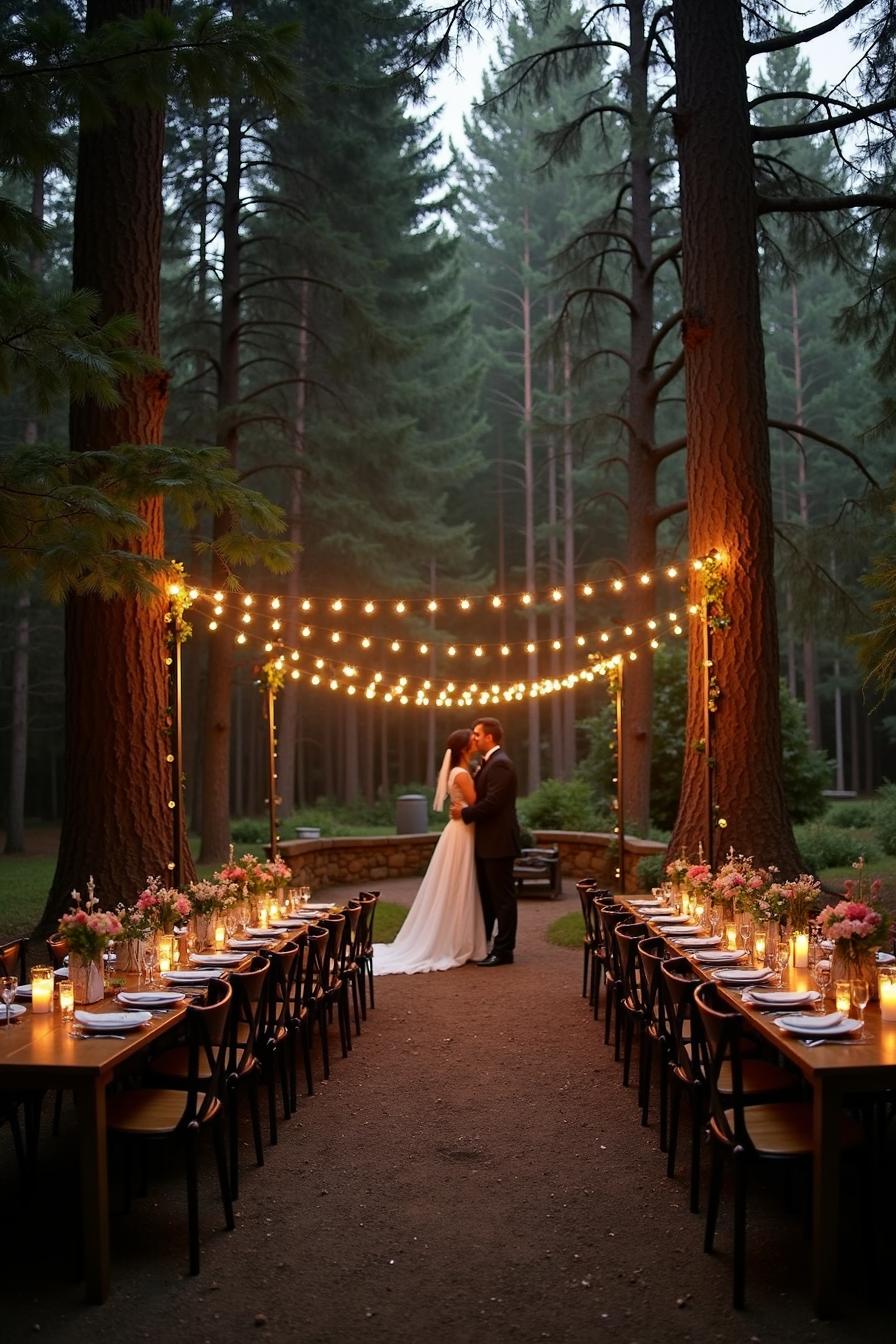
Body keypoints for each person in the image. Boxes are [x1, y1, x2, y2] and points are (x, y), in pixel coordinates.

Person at [372, 728, 487, 975]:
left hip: (459, 828)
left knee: (458, 883)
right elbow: (477, 802)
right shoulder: (461, 774)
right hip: (463, 830)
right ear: (464, 747)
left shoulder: (460, 771)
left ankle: (462, 937)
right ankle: (458, 940)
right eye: (472, 739)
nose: (475, 741)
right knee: (460, 883)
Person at [450, 717, 521, 966]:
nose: (474, 738)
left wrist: (464, 813)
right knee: (488, 898)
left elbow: (493, 803)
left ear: (489, 737)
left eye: (478, 734)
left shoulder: (501, 764)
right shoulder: (489, 763)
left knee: (502, 899)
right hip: (487, 842)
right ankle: (484, 946)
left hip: (498, 841)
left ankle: (504, 951)